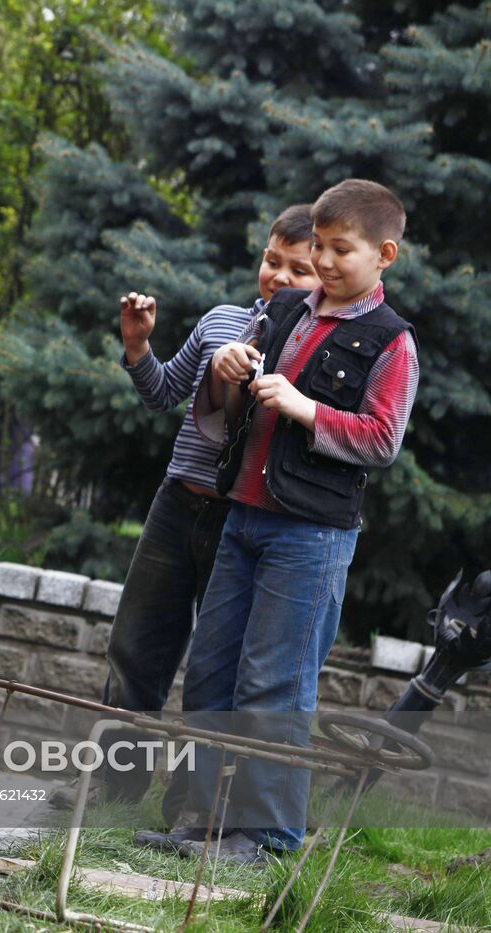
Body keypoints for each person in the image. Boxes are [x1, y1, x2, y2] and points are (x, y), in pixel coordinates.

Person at [142, 179, 418, 864]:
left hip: (312, 536)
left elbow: (382, 440)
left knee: (274, 682)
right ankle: (202, 823)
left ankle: (265, 839)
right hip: (243, 515)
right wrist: (230, 367)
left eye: (340, 250)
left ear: (384, 254)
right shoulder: (287, 309)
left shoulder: (392, 342)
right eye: (318, 246)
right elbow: (232, 403)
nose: (323, 262)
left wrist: (303, 407)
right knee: (210, 671)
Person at [52, 206, 319, 819]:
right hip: (178, 504)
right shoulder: (221, 320)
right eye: (272, 261)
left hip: (242, 519)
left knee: (215, 668)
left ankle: (190, 807)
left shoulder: (310, 350)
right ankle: (112, 784)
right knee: (136, 647)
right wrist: (138, 344)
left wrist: (258, 375)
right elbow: (162, 392)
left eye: (298, 270)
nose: (278, 276)